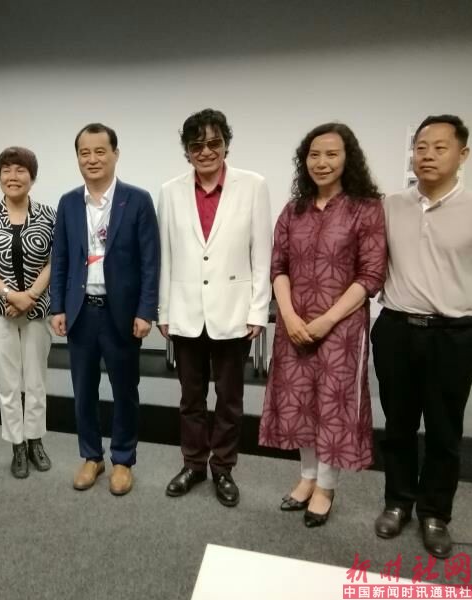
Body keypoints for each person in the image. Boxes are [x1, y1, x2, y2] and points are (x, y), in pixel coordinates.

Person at [258, 123, 387, 527]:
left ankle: (326, 487)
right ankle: (307, 477)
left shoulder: (365, 208)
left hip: (341, 327)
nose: (322, 162)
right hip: (294, 324)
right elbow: (278, 267)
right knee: (300, 402)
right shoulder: (293, 210)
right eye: (314, 154)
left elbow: (371, 275)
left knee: (332, 405)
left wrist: (327, 320)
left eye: (332, 154)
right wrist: (288, 315)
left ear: (348, 158)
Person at [158, 109, 271, 507]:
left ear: (226, 145)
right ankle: (193, 464)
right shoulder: (170, 191)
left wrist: (258, 310)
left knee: (229, 399)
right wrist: (164, 311)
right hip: (186, 311)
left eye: (214, 143)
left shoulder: (253, 186)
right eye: (196, 145)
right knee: (190, 399)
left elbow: (262, 253)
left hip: (234, 311)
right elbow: (166, 255)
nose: (206, 151)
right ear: (186, 151)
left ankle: (223, 468)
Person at [372, 115, 472, 558]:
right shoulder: (390, 205)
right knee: (397, 425)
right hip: (396, 328)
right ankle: (398, 503)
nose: (427, 155)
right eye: (420, 147)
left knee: (444, 431)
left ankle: (435, 513)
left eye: (439, 147)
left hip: (454, 334)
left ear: (462, 154)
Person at [50, 123, 160, 496]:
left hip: (121, 314)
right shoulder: (68, 202)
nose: (92, 159)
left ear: (115, 154)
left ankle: (123, 460)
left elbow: (150, 261)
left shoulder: (137, 200)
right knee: (83, 390)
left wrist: (146, 311)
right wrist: (57, 306)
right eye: (85, 152)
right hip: (81, 312)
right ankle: (91, 456)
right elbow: (61, 258)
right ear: (77, 157)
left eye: (100, 151)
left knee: (125, 390)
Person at [0, 147, 56, 478]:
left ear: (32, 177)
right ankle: (16, 445)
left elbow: (55, 261)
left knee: (36, 379)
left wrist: (30, 296)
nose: (13, 176)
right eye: (6, 170)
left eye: (20, 170)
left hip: (37, 308)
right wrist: (10, 294)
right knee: (8, 382)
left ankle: (35, 440)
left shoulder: (49, 215)